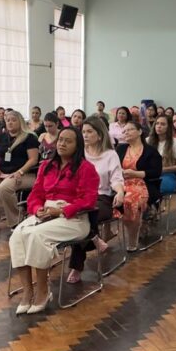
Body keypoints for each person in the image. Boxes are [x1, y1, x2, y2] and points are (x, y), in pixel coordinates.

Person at [10, 127, 99, 314]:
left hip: (74, 218)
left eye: (68, 141)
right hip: (47, 212)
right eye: (60, 140)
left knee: (36, 235)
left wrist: (60, 211)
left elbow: (88, 200)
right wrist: (37, 209)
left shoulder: (86, 168)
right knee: (17, 235)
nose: (62, 144)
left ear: (78, 145)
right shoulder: (46, 166)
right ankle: (28, 292)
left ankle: (43, 291)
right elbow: (36, 194)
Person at [67, 119, 125, 283]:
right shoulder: (79, 153)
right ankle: (94, 238)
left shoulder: (110, 155)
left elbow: (116, 178)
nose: (85, 135)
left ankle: (76, 266)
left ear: (99, 135)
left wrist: (120, 192)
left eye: (89, 132)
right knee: (77, 218)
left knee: (82, 217)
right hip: (78, 196)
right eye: (83, 132)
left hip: (102, 197)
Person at [0, 110, 39, 230]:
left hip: (25, 174)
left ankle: (15, 220)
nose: (10, 122)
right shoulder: (2, 137)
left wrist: (20, 172)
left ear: (20, 122)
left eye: (13, 120)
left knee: (4, 188)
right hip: (3, 172)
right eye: (8, 120)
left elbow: (33, 160)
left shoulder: (29, 137)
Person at [116, 121, 163, 251]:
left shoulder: (150, 151)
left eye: (130, 129)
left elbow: (156, 171)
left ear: (140, 131)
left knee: (130, 200)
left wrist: (135, 173)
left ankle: (133, 237)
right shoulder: (120, 149)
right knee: (110, 198)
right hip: (122, 183)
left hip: (144, 183)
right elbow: (113, 168)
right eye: (124, 131)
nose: (126, 133)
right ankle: (129, 229)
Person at [147, 115, 176, 197]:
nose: (159, 126)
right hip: (149, 175)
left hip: (167, 175)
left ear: (168, 127)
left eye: (163, 124)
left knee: (151, 189)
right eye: (157, 123)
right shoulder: (147, 141)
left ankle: (153, 207)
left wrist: (163, 169)